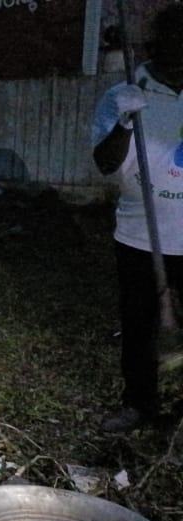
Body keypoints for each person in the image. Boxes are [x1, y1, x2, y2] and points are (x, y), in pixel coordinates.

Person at [91, 4, 183, 433]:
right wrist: (126, 122)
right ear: (153, 45)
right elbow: (105, 163)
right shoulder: (123, 94)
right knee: (139, 327)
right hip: (139, 235)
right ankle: (138, 404)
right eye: (175, 42)